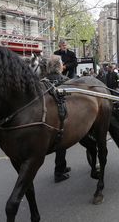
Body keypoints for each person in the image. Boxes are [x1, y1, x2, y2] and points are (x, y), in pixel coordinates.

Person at [45, 55, 71, 183]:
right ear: (59, 66)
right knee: (62, 144)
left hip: (47, 118)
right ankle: (59, 172)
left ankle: (62, 167)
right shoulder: (65, 80)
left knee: (61, 146)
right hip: (62, 116)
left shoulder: (43, 81)